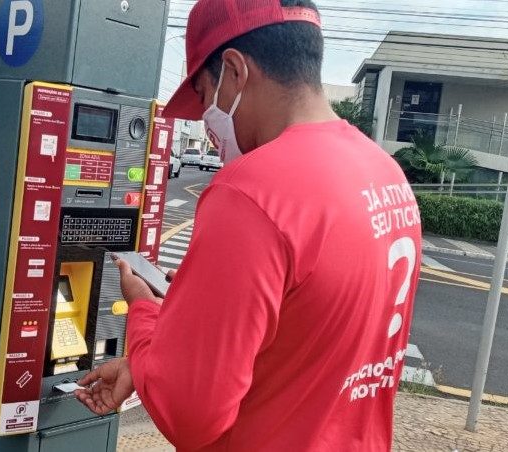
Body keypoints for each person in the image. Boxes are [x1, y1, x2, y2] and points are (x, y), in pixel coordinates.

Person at [75, 0, 422, 450]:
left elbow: (191, 415)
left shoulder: (250, 191)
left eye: (203, 96)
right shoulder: (384, 173)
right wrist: (204, 312)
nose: (206, 119)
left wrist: (145, 314)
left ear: (235, 71)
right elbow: (308, 344)